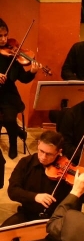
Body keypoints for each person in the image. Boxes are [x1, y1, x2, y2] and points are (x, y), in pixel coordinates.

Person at [0, 19, 39, 161]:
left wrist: (32, 72)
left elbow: (23, 78)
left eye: (5, 35)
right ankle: (19, 132)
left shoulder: (13, 54)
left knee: (10, 119)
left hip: (9, 95)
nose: (4, 39)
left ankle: (13, 144)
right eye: (0, 36)